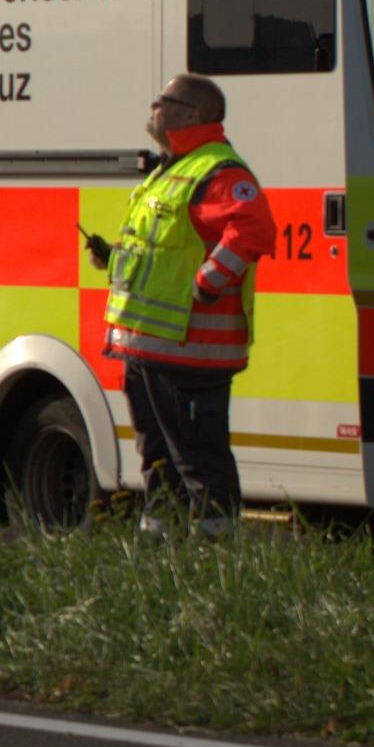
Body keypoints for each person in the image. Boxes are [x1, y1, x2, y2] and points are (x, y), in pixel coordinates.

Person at [91, 71, 270, 527]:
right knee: (156, 456)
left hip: (189, 350)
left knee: (198, 459)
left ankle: (214, 556)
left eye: (163, 100)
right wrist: (112, 260)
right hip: (148, 347)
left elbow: (253, 228)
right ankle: (159, 548)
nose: (154, 106)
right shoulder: (170, 167)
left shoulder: (216, 169)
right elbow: (161, 255)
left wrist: (209, 281)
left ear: (191, 114)